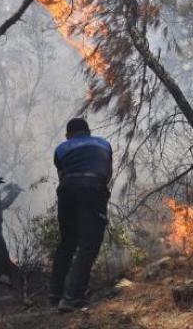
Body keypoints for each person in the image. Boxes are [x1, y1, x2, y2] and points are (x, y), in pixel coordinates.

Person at [49, 118, 113, 313]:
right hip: (93, 188)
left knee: (67, 242)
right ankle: (71, 298)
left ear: (68, 136)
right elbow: (107, 174)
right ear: (88, 131)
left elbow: (62, 175)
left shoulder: (61, 149)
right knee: (88, 244)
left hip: (67, 188)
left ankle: (55, 295)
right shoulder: (103, 144)